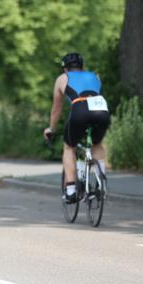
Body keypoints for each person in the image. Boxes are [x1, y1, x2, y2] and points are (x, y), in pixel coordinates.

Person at [43, 52, 111, 203]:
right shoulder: (95, 76)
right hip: (101, 110)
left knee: (69, 146)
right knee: (97, 144)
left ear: (65, 69)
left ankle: (71, 190)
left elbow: (56, 109)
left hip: (80, 109)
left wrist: (51, 129)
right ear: (82, 67)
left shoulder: (63, 78)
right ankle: (102, 186)